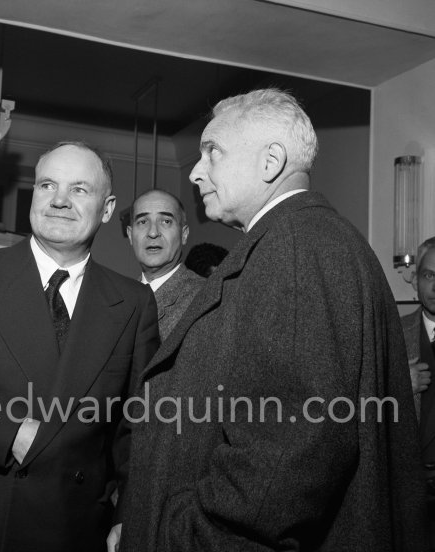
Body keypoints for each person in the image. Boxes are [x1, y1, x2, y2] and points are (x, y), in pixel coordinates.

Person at [120, 88, 427, 551]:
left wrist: (180, 534)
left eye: (212, 152)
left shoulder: (296, 247)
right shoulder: (298, 240)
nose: (197, 171)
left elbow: (288, 451)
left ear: (271, 161)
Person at [0, 142, 159, 552]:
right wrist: (12, 434)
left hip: (70, 527)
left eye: (79, 189)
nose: (59, 200)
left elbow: (137, 429)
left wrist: (129, 515)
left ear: (107, 209)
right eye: (47, 185)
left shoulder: (133, 303)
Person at [127, 190, 204, 341]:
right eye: (143, 222)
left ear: (184, 234)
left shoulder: (205, 297)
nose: (153, 233)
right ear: (130, 235)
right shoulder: (118, 300)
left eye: (166, 221)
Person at [402, 236, 435, 549]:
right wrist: (399, 386)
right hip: (407, 489)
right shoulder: (390, 334)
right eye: (429, 275)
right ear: (416, 281)